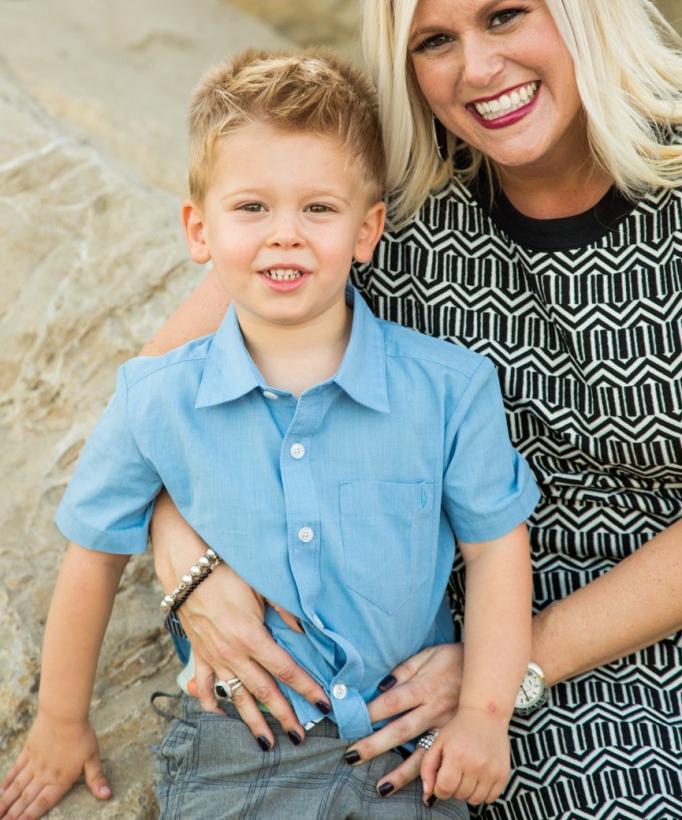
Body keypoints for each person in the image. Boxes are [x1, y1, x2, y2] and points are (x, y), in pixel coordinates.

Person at [143, 0, 682, 820]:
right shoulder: (393, 209)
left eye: (506, 16)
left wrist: (503, 663)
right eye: (433, 39)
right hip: (425, 639)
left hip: (613, 639)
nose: (478, 68)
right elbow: (159, 388)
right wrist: (195, 571)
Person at [0, 47, 540, 820]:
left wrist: (486, 716)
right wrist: (60, 720)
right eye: (252, 208)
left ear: (367, 230)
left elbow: (495, 551)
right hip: (238, 749)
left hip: (411, 742)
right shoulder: (157, 397)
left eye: (318, 209)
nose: (284, 233)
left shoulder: (449, 390)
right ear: (199, 230)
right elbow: (93, 555)